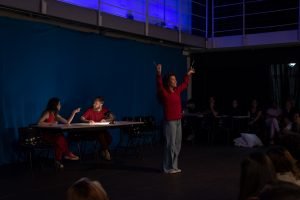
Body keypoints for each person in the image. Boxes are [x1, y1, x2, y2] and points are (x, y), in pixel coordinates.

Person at [156, 63, 195, 174]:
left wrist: (188, 74)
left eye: (175, 79)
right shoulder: (165, 92)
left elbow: (185, 84)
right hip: (170, 122)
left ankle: (174, 166)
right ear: (168, 82)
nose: (175, 81)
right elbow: (159, 85)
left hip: (178, 121)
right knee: (170, 145)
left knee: (177, 144)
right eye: (173, 79)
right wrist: (158, 73)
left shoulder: (177, 91)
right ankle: (167, 168)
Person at [38, 97, 80, 168]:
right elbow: (39, 123)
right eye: (59, 104)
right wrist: (50, 124)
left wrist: (73, 113)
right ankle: (67, 153)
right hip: (46, 135)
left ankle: (58, 161)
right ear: (55, 105)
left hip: (54, 135)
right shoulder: (47, 113)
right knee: (59, 138)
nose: (60, 106)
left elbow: (67, 122)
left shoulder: (56, 115)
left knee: (59, 139)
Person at [81, 96, 114, 161]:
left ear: (101, 104)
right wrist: (88, 121)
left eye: (96, 103)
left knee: (109, 138)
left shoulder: (105, 110)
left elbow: (112, 118)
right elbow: (82, 118)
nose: (94, 104)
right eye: (93, 103)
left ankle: (102, 150)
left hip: (102, 130)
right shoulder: (90, 110)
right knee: (101, 134)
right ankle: (106, 152)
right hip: (91, 131)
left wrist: (106, 120)